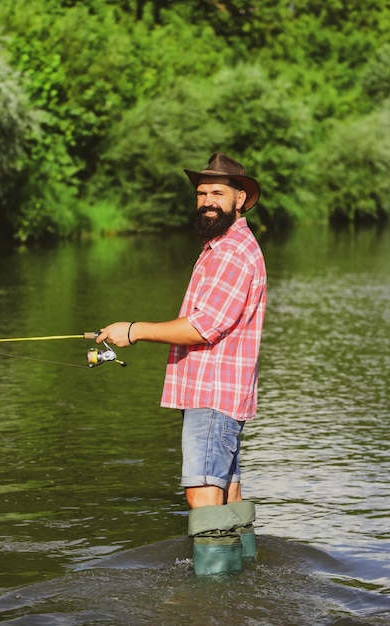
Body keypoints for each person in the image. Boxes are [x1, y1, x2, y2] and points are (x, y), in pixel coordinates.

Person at [96, 152, 266, 574]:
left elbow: (203, 327)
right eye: (201, 193)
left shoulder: (230, 252)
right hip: (223, 393)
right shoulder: (226, 245)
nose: (207, 200)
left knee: (203, 493)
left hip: (213, 393)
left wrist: (133, 330)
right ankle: (240, 582)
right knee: (227, 488)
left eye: (217, 193)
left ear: (240, 199)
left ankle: (213, 598)